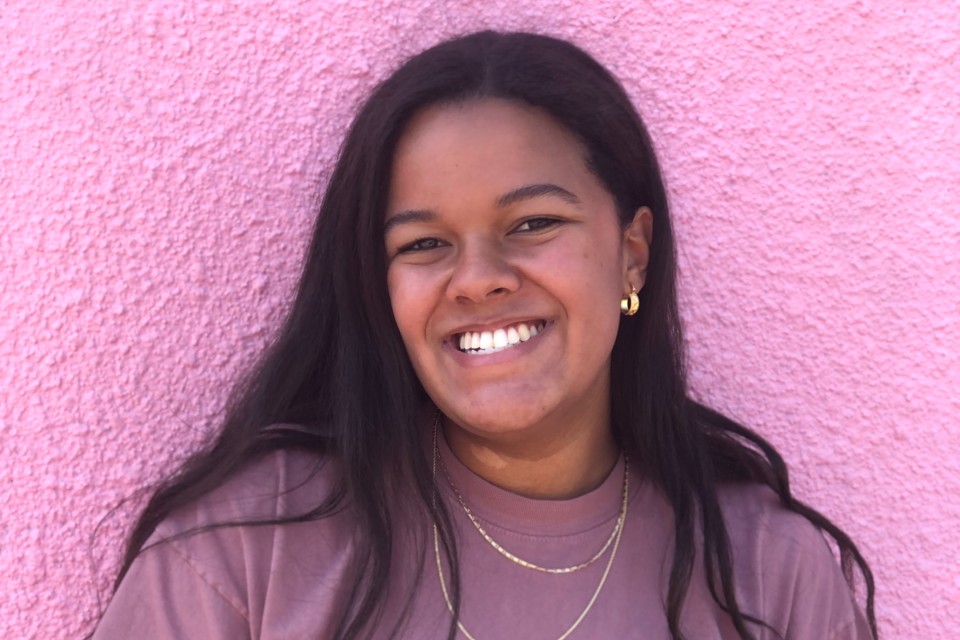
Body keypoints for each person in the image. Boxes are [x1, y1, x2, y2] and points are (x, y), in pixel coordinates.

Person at [91, 31, 876, 639]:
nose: (477, 279)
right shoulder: (244, 555)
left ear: (631, 251)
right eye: (423, 245)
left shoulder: (771, 579)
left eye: (534, 223)